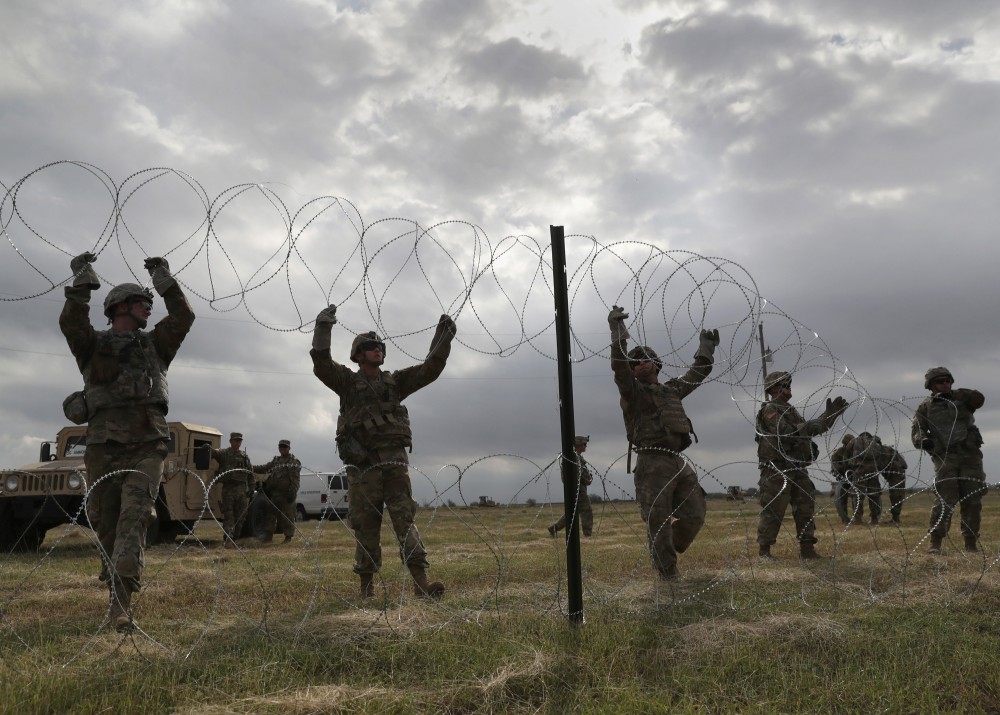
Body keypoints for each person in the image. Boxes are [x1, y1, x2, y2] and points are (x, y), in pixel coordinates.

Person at [60, 252, 194, 632]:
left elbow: (183, 317)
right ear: (120, 306)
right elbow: (71, 321)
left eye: (150, 304)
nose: (149, 309)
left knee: (135, 517)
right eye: (142, 303)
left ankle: (121, 603)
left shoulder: (155, 345)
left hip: (147, 442)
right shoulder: (92, 345)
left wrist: (162, 278)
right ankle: (113, 584)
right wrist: (83, 280)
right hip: (103, 444)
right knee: (106, 523)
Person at [310, 305, 456, 599]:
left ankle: (421, 585)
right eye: (369, 347)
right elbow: (322, 365)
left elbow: (430, 369)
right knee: (366, 526)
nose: (377, 350)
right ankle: (366, 591)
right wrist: (322, 329)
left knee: (405, 520)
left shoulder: (395, 382)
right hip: (364, 469)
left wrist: (444, 337)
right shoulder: (348, 383)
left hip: (394, 465)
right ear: (358, 355)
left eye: (379, 347)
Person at [608, 305, 718, 580]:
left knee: (695, 512)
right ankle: (667, 572)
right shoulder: (633, 392)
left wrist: (706, 348)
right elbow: (619, 368)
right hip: (651, 462)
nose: (640, 363)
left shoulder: (672, 390)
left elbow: (698, 373)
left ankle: (673, 545)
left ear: (657, 364)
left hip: (676, 460)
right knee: (657, 519)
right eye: (635, 362)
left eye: (646, 359)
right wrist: (618, 333)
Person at [755, 371, 849, 559]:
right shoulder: (770, 410)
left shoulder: (791, 410)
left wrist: (829, 417)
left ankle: (807, 549)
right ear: (774, 388)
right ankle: (764, 551)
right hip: (777, 468)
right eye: (785, 384)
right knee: (774, 509)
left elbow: (808, 430)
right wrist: (816, 423)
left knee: (805, 507)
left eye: (789, 384)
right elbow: (788, 432)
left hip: (797, 466)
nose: (789, 387)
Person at [911, 367, 986, 553]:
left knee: (972, 500)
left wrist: (957, 393)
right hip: (945, 457)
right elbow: (916, 431)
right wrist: (923, 440)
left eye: (948, 380)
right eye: (940, 381)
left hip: (970, 456)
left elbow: (980, 399)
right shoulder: (925, 407)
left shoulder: (962, 400)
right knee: (945, 500)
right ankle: (935, 542)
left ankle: (971, 543)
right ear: (931, 386)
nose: (945, 384)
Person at [202, 432, 254, 546]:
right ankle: (228, 539)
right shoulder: (225, 453)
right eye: (236, 440)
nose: (238, 443)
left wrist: (251, 487)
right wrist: (208, 448)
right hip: (229, 489)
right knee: (229, 515)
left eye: (240, 441)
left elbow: (250, 473)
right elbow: (214, 453)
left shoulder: (244, 456)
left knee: (241, 516)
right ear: (231, 441)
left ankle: (235, 538)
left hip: (241, 489)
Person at [252, 440, 301, 544]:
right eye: (281, 447)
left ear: (289, 448)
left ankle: (288, 537)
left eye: (285, 447)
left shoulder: (292, 462)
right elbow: (264, 468)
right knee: (271, 515)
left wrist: (292, 493)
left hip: (286, 494)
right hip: (275, 494)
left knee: (287, 516)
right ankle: (268, 536)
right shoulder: (276, 461)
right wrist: (251, 467)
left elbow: (295, 480)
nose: (282, 449)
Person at [548, 435, 595, 538]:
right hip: (578, 489)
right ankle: (588, 534)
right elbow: (578, 475)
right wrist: (588, 480)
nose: (585, 446)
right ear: (578, 444)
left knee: (573, 511)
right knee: (586, 510)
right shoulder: (573, 458)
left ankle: (554, 528)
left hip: (577, 488)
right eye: (584, 444)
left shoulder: (575, 457)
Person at [830, 434, 858, 525]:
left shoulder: (856, 452)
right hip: (843, 478)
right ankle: (845, 519)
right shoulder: (839, 452)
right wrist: (846, 468)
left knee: (856, 498)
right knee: (842, 499)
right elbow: (836, 466)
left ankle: (857, 518)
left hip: (854, 478)